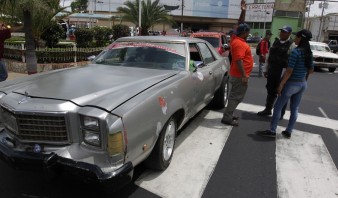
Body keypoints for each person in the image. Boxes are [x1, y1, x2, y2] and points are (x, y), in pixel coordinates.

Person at [257, 29, 314, 138]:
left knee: (278, 106)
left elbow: (289, 71)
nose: (295, 39)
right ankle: (289, 131)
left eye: (296, 37)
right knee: (294, 108)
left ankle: (272, 130)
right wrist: (302, 74)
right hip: (302, 84)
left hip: (291, 84)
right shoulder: (309, 53)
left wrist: (281, 84)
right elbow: (311, 70)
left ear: (301, 38)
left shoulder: (295, 52)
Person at [257, 25, 295, 118]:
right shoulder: (276, 41)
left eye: (284, 32)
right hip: (272, 70)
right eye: (281, 31)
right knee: (270, 90)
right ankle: (268, 109)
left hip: (282, 71)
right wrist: (266, 69)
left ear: (289, 33)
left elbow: (292, 61)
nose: (282, 33)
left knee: (281, 91)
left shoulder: (292, 45)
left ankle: (281, 113)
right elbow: (269, 56)